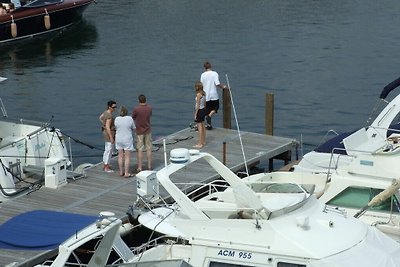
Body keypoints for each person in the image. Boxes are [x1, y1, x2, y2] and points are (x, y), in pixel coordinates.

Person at [200, 61, 228, 130]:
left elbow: (201, 85)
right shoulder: (214, 73)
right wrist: (224, 86)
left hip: (206, 95)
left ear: (205, 68)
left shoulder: (203, 75)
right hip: (214, 95)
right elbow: (217, 83)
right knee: (216, 108)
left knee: (207, 109)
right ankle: (210, 116)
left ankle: (209, 124)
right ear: (210, 66)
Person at [131, 94, 152, 172]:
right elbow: (150, 115)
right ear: (145, 100)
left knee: (140, 149)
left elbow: (133, 117)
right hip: (148, 130)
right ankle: (149, 166)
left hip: (139, 131)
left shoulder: (136, 109)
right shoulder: (149, 108)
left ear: (138, 100)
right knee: (149, 148)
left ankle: (140, 167)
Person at [114, 105, 136, 177]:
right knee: (127, 156)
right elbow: (133, 127)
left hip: (118, 139)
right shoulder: (129, 118)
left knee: (120, 155)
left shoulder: (117, 119)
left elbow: (115, 127)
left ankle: (121, 171)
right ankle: (126, 173)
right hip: (127, 138)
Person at [99, 100, 117, 173]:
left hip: (105, 132)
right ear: (109, 107)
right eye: (113, 107)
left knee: (107, 149)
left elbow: (100, 118)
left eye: (115, 107)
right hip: (109, 133)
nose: (114, 108)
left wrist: (103, 124)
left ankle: (105, 164)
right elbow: (108, 127)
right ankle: (106, 167)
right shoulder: (109, 116)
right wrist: (111, 137)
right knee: (109, 150)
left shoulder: (105, 112)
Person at [193, 81, 206, 148]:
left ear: (197, 87)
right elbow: (204, 103)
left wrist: (195, 114)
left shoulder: (198, 95)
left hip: (199, 111)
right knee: (203, 126)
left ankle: (200, 143)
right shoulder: (203, 93)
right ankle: (203, 141)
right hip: (203, 110)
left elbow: (198, 106)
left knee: (199, 127)